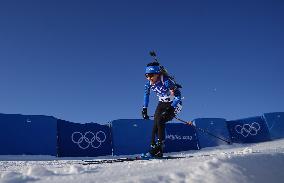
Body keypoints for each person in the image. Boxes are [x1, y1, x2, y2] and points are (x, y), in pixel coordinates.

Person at [142, 61, 182, 157]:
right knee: (155, 124)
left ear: (157, 74)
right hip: (162, 103)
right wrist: (144, 109)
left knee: (160, 121)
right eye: (146, 75)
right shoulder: (148, 83)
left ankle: (159, 148)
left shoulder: (166, 81)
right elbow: (146, 95)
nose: (149, 78)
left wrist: (171, 108)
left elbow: (178, 96)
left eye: (151, 75)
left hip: (174, 104)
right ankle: (154, 147)